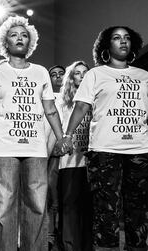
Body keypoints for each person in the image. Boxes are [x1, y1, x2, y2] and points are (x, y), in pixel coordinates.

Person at [0, 15, 65, 251]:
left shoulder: (40, 72)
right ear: (5, 41)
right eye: (14, 34)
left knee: (37, 206)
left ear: (31, 42)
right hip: (4, 147)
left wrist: (62, 136)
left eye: (24, 35)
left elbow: (50, 109)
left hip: (35, 148)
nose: (19, 38)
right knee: (3, 206)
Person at [58, 26, 148, 250]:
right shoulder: (95, 74)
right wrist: (68, 135)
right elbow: (80, 107)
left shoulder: (144, 76)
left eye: (127, 38)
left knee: (138, 212)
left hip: (139, 149)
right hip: (105, 151)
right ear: (107, 46)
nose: (123, 42)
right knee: (106, 212)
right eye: (117, 38)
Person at [57, 61, 92, 251]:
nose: (82, 76)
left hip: (91, 162)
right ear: (72, 78)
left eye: (85, 72)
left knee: (89, 208)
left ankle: (87, 246)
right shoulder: (64, 103)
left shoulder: (96, 99)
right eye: (78, 73)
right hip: (69, 162)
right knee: (69, 207)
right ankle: (69, 247)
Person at [46, 64, 65, 250]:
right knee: (51, 198)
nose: (58, 77)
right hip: (52, 154)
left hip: (73, 157)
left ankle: (63, 236)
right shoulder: (47, 98)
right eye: (54, 75)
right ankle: (51, 237)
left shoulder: (71, 98)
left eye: (61, 74)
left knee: (66, 199)